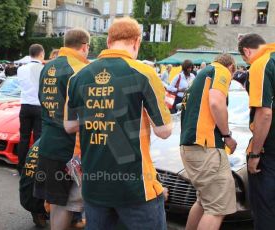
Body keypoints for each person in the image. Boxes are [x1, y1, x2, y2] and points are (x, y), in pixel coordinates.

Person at [64, 17, 172, 230]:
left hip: (94, 184)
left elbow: (69, 126)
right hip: (136, 186)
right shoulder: (144, 73)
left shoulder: (78, 77)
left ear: (108, 42)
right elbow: (164, 131)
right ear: (137, 41)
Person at [34, 28, 90, 230]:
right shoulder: (80, 69)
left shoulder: (47, 67)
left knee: (57, 204)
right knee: (79, 203)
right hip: (72, 147)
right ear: (85, 47)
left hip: (48, 142)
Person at [180, 54, 237, 230]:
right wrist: (227, 136)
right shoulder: (220, 70)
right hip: (206, 147)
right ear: (232, 68)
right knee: (217, 208)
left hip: (190, 146)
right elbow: (216, 103)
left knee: (204, 202)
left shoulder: (200, 77)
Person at [238, 33, 275, 230]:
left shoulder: (261, 64)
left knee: (265, 210)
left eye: (245, 60)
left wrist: (254, 154)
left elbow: (264, 113)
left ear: (247, 51)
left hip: (269, 151)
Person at [17, 44, 45, 174]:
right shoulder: (43, 69)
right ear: (41, 54)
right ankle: (36, 166)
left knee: (24, 137)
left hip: (25, 105)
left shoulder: (21, 69)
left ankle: (21, 165)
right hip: (38, 106)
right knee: (38, 137)